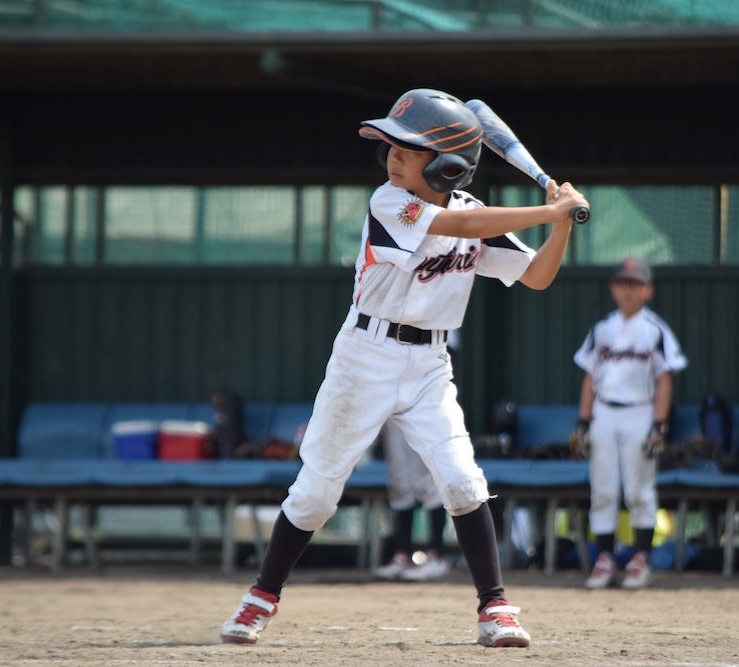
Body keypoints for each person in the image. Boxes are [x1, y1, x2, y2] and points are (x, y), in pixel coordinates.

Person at [219, 88, 588, 648]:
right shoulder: (390, 203)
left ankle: (495, 607)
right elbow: (458, 228)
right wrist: (548, 209)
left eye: (409, 149)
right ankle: (261, 596)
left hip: (430, 364)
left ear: (447, 166)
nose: (393, 155)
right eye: (391, 145)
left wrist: (561, 225)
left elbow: (536, 276)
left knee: (462, 480)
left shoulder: (472, 213)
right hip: (363, 357)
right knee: (316, 492)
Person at [571, 257, 687, 589]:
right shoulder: (602, 328)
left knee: (639, 488)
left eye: (636, 284)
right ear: (613, 288)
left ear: (648, 290)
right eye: (623, 283)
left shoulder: (655, 329)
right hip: (604, 412)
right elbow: (591, 376)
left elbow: (665, 379)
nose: (628, 290)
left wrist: (660, 424)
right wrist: (583, 420)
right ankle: (605, 558)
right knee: (603, 489)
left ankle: (640, 558)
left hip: (640, 411)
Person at [373, 419, 451, 581]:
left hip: (421, 408)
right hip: (392, 411)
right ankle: (403, 555)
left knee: (428, 480)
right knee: (399, 482)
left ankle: (436, 556)